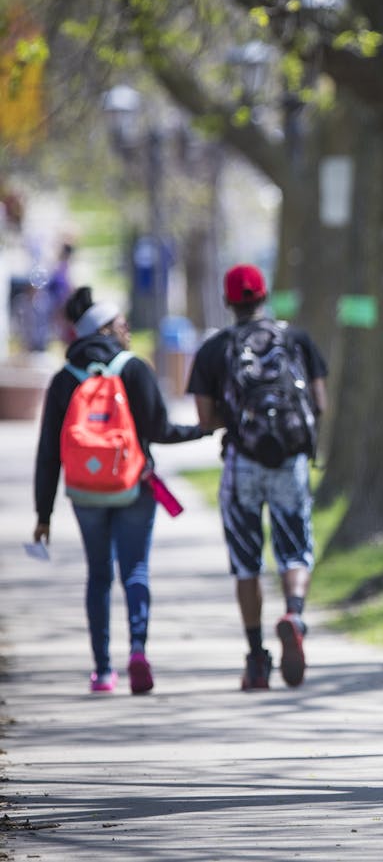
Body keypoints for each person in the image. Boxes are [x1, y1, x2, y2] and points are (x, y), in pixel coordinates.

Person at [32, 287, 209, 694]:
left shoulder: (64, 378)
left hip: (83, 493)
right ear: (107, 328)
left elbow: (48, 453)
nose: (128, 330)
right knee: (135, 570)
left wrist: (44, 514)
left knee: (98, 575)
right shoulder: (133, 368)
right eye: (123, 324)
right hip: (134, 486)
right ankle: (139, 652)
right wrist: (203, 429)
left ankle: (102, 670)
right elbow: (160, 430)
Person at [186, 264, 328, 691]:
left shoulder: (214, 349)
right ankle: (295, 615)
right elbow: (319, 401)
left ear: (229, 302)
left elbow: (206, 418)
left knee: (247, 562)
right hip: (289, 460)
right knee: (295, 549)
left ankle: (255, 660)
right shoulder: (296, 339)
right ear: (264, 296)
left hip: (242, 463)